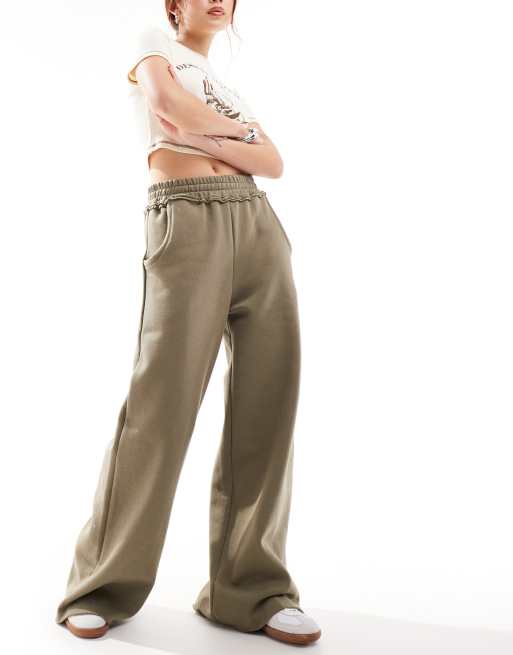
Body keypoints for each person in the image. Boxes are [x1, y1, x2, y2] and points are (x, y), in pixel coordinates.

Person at [54, 0, 321, 646]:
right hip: (186, 218)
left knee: (268, 403)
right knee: (161, 401)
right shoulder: (153, 40)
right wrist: (233, 137)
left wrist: (204, 132)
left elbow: (273, 163)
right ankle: (101, 585)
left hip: (257, 227)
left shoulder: (226, 86)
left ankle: (250, 590)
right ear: (174, 5)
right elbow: (166, 105)